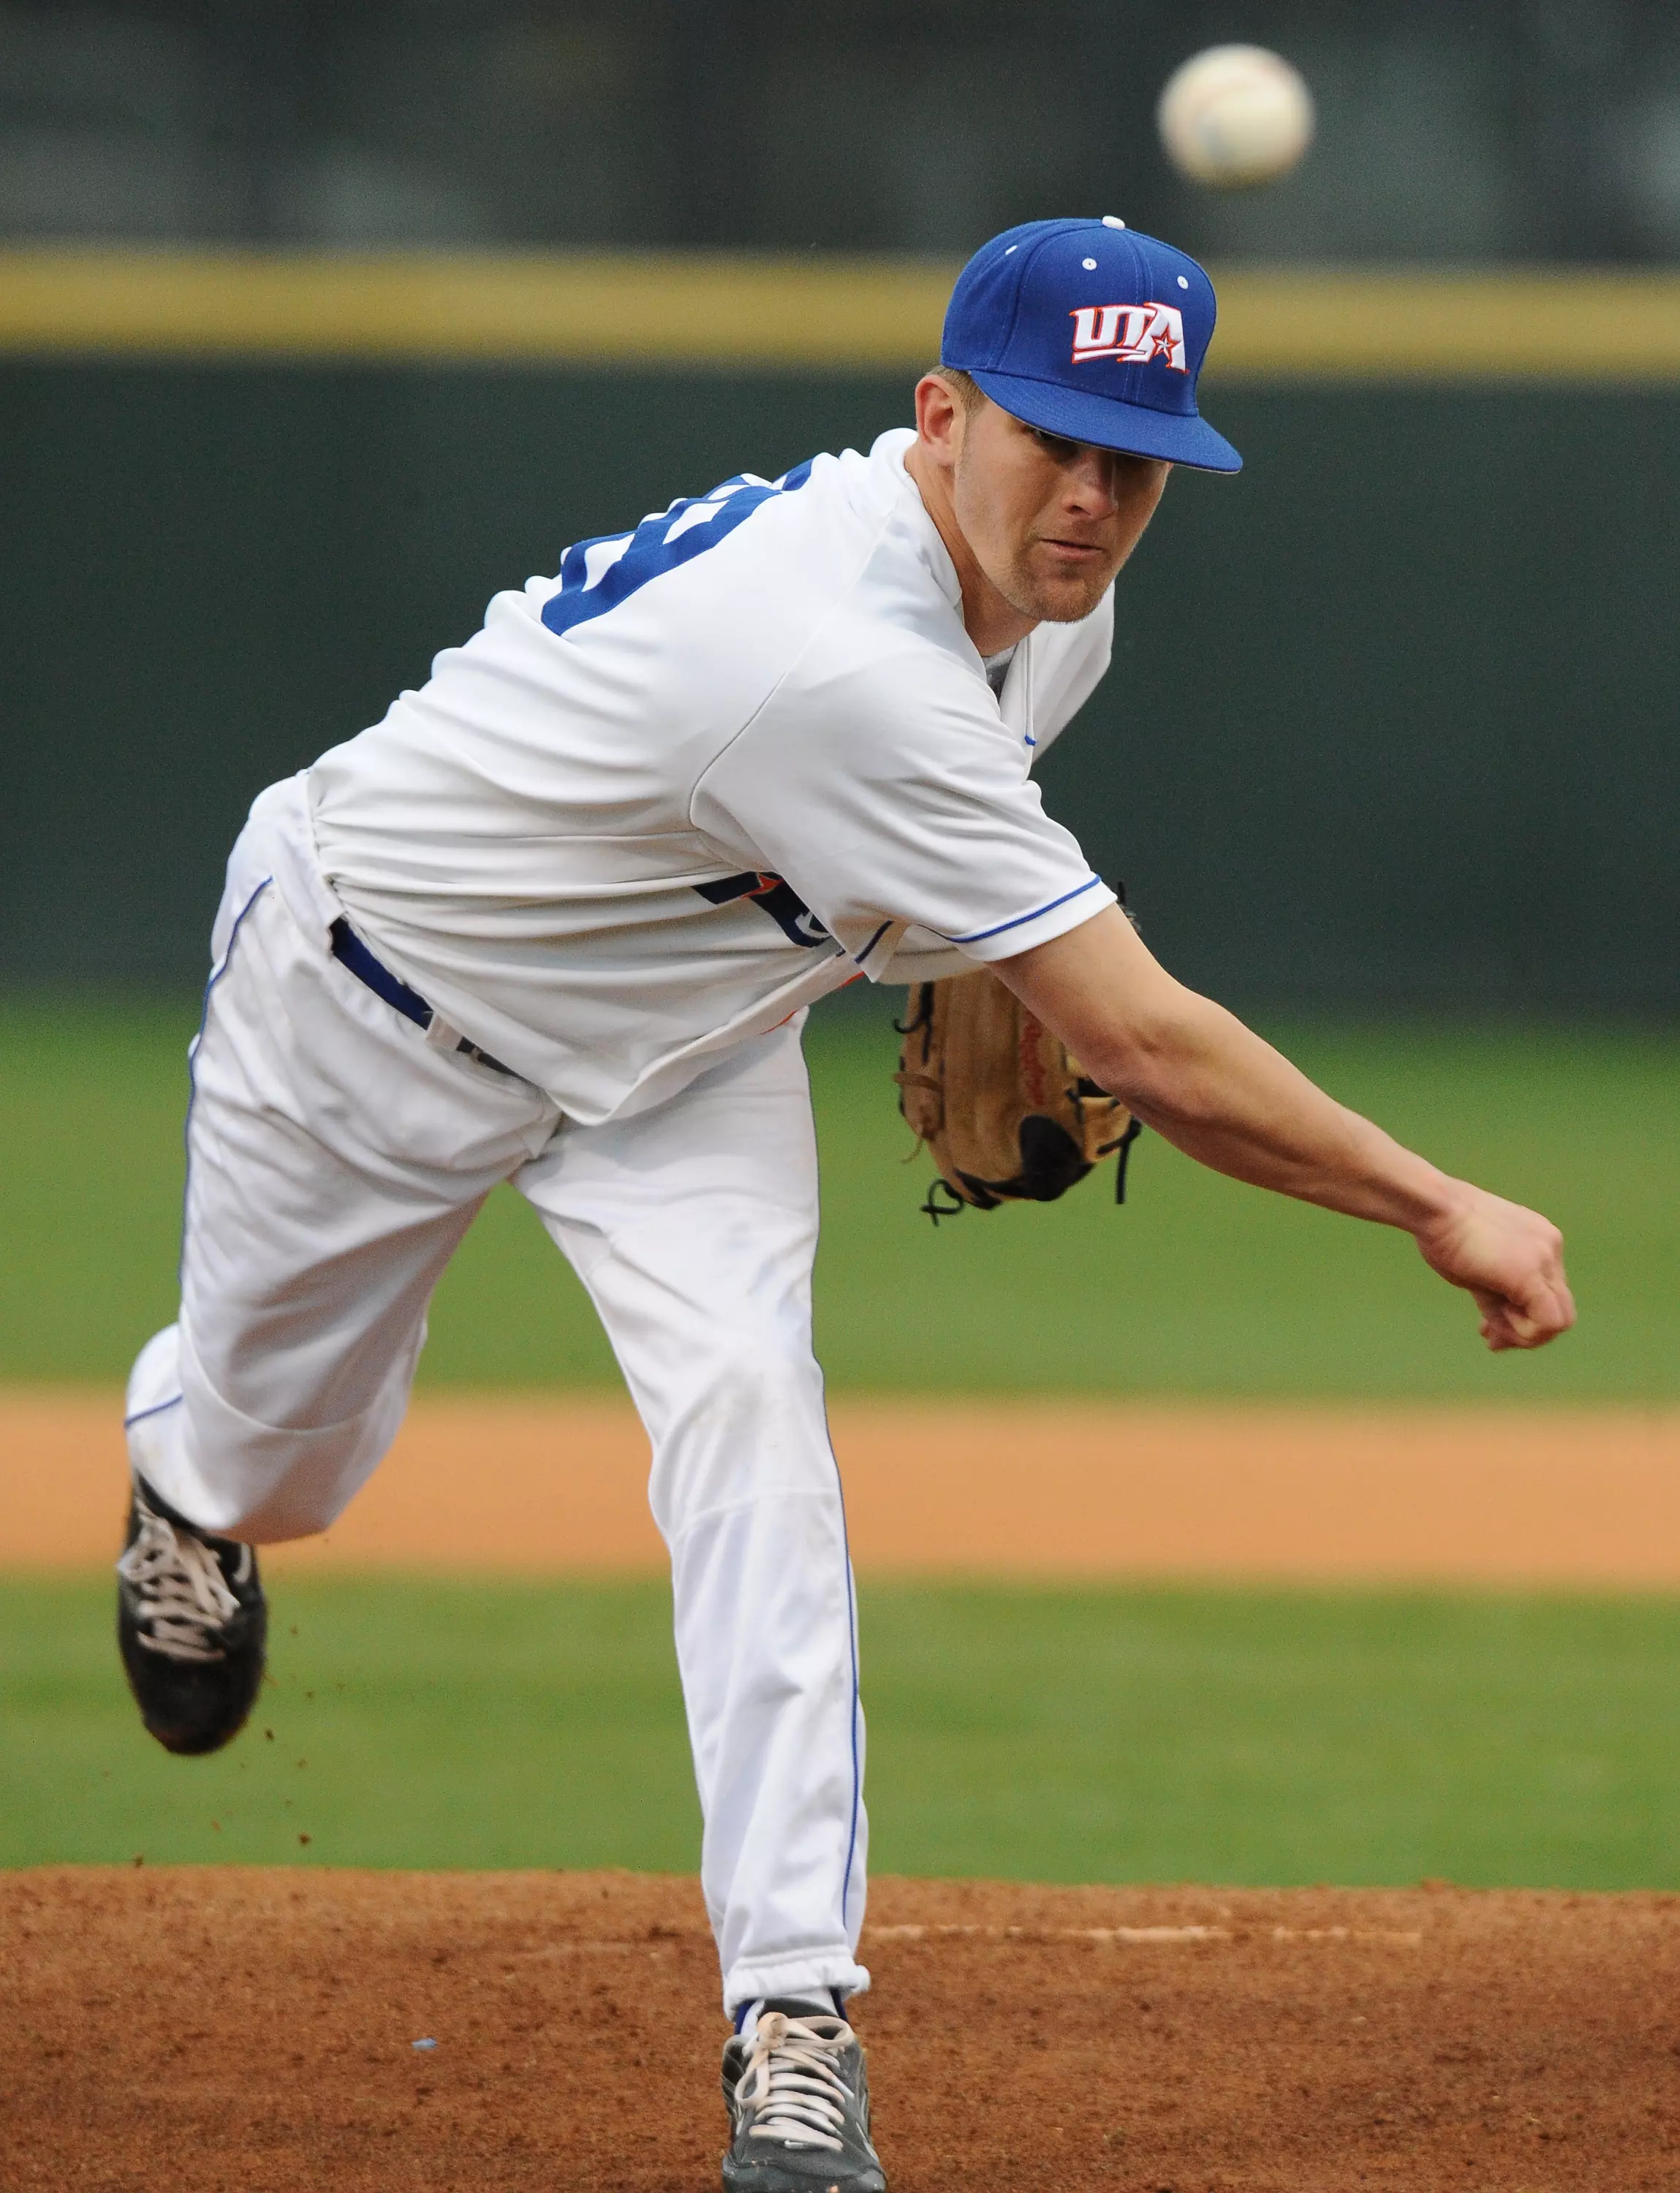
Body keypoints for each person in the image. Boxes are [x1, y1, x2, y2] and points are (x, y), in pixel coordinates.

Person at [115, 217, 1573, 2193]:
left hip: (681, 1051)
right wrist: (1436, 1206)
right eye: (1053, 439)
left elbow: (910, 873)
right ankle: (184, 1465)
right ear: (941, 416)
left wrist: (956, 954)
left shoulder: (1061, 618)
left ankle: (791, 2019)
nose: (1091, 497)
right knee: (285, 1466)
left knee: (760, 1443)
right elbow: (1139, 1040)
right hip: (374, 1003)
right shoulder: (829, 646)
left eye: (1136, 458)